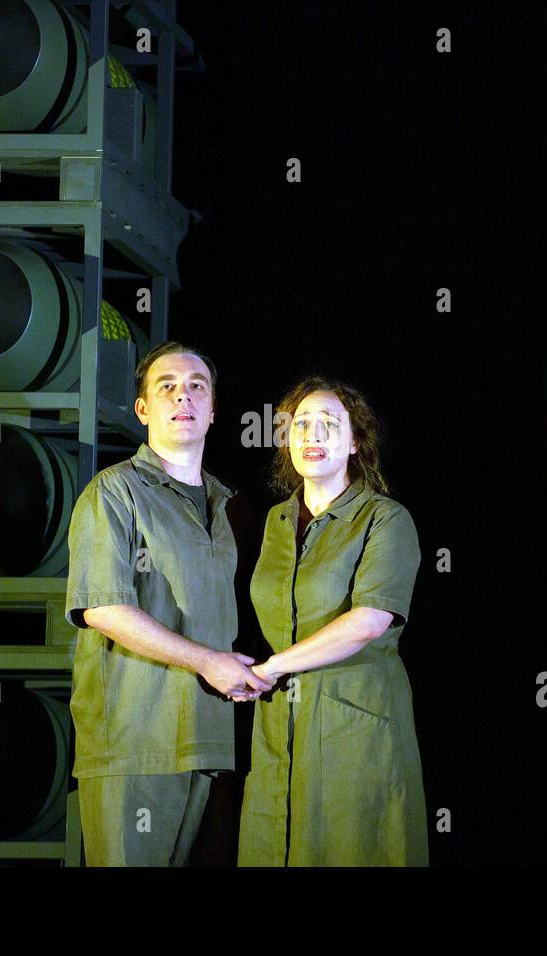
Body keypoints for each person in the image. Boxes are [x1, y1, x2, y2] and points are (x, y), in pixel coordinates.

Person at [64, 341, 272, 866]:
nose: (184, 397)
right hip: (136, 742)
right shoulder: (113, 492)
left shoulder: (230, 506)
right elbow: (102, 608)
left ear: (214, 410)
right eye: (168, 387)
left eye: (197, 387)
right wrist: (206, 662)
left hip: (212, 740)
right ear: (143, 409)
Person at [236, 375, 426, 866]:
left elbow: (368, 621)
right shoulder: (276, 521)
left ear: (355, 441)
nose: (312, 437)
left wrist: (268, 670)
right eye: (301, 425)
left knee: (352, 847)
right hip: (279, 722)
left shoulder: (386, 519)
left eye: (328, 425)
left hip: (355, 726)